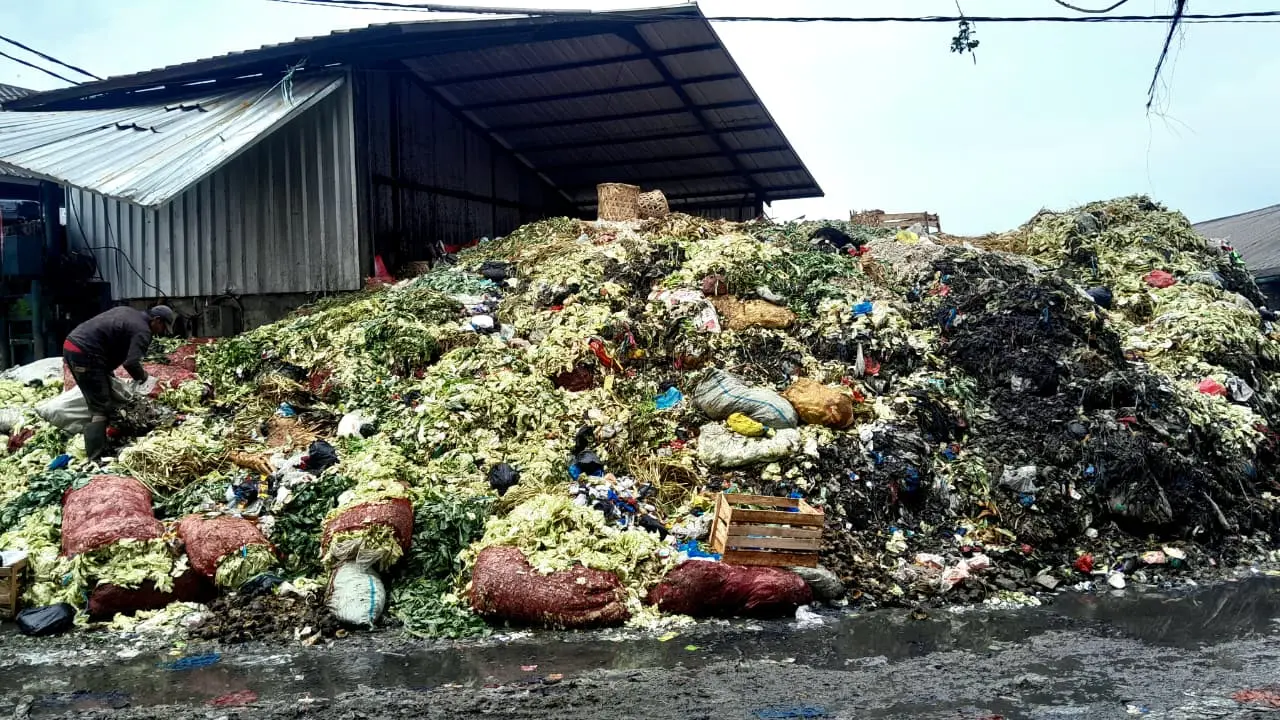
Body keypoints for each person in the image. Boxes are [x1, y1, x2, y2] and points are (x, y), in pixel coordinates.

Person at [61, 305, 176, 460]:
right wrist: (144, 378)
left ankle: (104, 440)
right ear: (156, 320)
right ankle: (95, 457)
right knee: (101, 407)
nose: (161, 332)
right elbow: (131, 363)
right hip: (85, 353)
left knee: (103, 391)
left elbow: (110, 342)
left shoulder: (128, 312)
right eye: (163, 327)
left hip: (73, 345)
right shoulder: (143, 330)